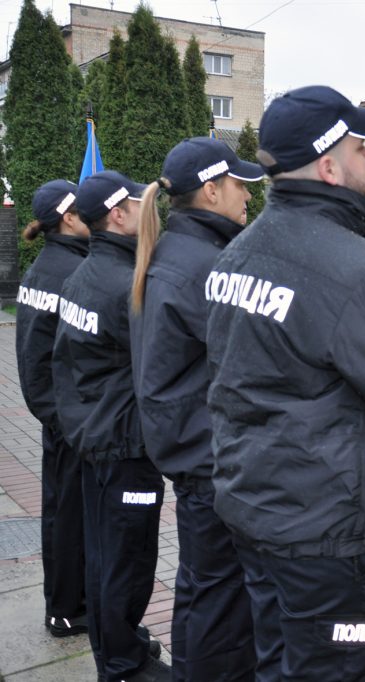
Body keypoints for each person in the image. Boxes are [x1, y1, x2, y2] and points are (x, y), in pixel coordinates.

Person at [205, 85, 365, 681]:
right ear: (329, 165)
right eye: (361, 149)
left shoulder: (236, 254)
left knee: (276, 664)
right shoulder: (355, 271)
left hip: (256, 511)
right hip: (331, 537)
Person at [130, 138, 264, 681]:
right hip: (211, 458)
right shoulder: (206, 266)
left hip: (192, 451)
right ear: (211, 189)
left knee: (201, 588)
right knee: (220, 602)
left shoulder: (177, 251)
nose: (248, 198)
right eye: (240, 185)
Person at [51, 170, 170, 682]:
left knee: (106, 557)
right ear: (118, 215)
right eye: (140, 204)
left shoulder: (84, 274)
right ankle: (122, 666)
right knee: (128, 560)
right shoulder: (127, 286)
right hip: (124, 449)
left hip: (96, 440)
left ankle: (117, 644)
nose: (150, 210)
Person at [15, 180, 90, 638]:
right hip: (70, 420)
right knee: (69, 517)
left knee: (60, 512)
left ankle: (62, 604)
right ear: (68, 217)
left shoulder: (47, 267)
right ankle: (67, 610)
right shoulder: (67, 272)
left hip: (57, 417)